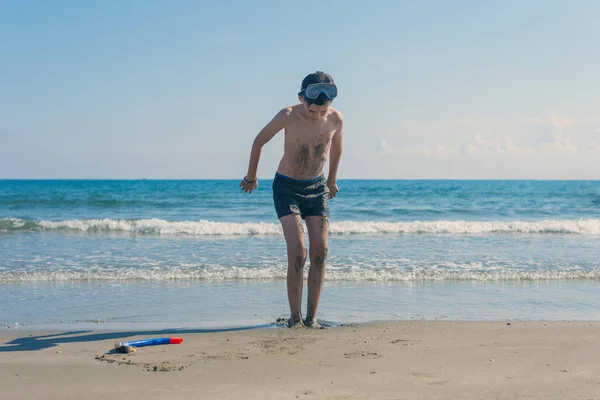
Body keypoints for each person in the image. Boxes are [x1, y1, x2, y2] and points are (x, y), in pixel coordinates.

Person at [239, 71, 344, 328]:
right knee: (299, 251)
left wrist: (332, 180)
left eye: (324, 107)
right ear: (302, 97)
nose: (317, 114)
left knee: (321, 251)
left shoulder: (336, 119)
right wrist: (251, 177)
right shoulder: (288, 114)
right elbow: (259, 141)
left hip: (317, 189)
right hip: (287, 188)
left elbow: (336, 149)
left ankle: (312, 318)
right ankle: (294, 318)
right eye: (312, 109)